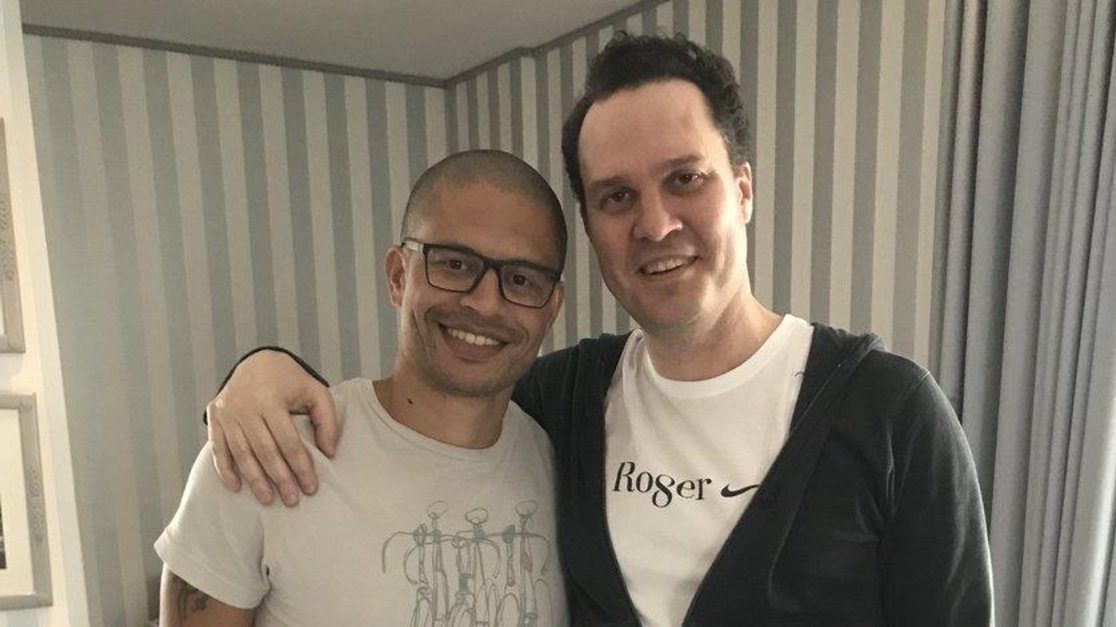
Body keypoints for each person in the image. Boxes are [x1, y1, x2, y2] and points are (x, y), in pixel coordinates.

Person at [205, 34, 994, 625]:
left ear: (743, 188)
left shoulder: (891, 414)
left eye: (685, 179)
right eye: (617, 196)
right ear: (591, 228)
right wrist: (261, 368)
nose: (655, 224)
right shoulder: (563, 401)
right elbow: (430, 402)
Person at [156, 150, 569, 626]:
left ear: (551, 308)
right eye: (455, 264)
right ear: (398, 276)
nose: (484, 303)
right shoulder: (264, 456)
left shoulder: (566, 467)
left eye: (521, 279)